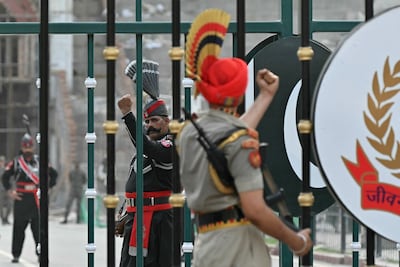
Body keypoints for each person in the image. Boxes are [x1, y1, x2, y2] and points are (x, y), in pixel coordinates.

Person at [176, 56, 313, 266]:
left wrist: (266, 97)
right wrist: (296, 241)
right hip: (238, 249)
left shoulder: (189, 134)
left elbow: (229, 137)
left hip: (207, 244)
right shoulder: (238, 142)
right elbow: (255, 210)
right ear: (239, 94)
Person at [117, 59, 173, 267]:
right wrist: (126, 209)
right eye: (147, 121)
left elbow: (149, 148)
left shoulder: (171, 145)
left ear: (167, 121)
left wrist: (127, 116)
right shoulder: (146, 146)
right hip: (137, 218)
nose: (150, 126)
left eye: (155, 121)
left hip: (159, 221)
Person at [2, 133, 58, 263]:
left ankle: (40, 254)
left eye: (30, 147)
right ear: (22, 147)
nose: (27, 149)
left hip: (36, 198)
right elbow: (5, 176)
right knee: (19, 229)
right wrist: (10, 191)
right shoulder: (16, 162)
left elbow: (53, 174)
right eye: (25, 147)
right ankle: (16, 254)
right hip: (21, 198)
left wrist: (47, 187)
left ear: (33, 147)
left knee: (38, 230)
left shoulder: (40, 161)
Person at [0, 155, 12, 225]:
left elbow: (10, 179)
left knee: (9, 205)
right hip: (0, 190)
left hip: (7, 189)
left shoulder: (6, 169)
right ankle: (3, 219)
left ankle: (6, 218)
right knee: (0, 206)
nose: (1, 163)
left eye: (2, 161)